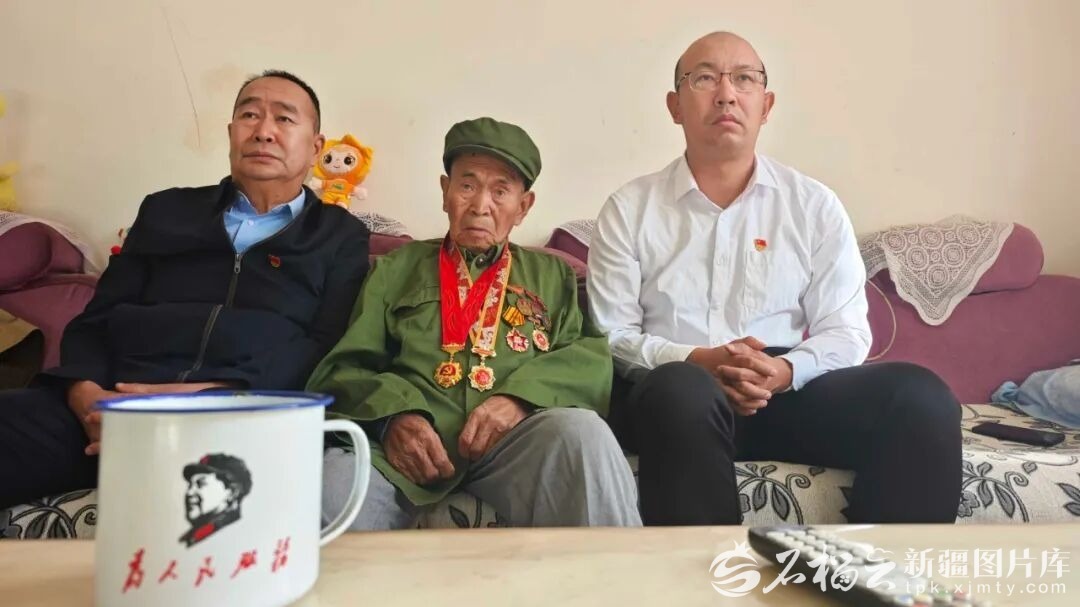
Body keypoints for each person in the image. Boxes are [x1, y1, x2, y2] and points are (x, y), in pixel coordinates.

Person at [586, 32, 962, 525]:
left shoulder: (813, 205)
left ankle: (874, 571)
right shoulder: (630, 209)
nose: (726, 94)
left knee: (921, 396)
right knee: (681, 389)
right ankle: (708, 574)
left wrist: (783, 371)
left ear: (766, 105)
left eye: (744, 79)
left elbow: (846, 331)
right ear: (675, 106)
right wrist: (699, 361)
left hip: (783, 392)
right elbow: (610, 336)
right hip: (674, 398)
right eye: (705, 78)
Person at [0, 70, 370, 509]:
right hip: (117, 406)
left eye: (285, 119)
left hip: (240, 416)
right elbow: (97, 319)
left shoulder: (339, 236)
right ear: (231, 134)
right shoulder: (166, 210)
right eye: (249, 115)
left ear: (315, 147)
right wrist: (87, 398)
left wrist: (218, 396)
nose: (264, 131)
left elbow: (327, 346)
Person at [310, 117, 640, 529]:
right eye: (467, 186)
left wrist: (521, 399)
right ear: (445, 192)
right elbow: (346, 367)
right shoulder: (395, 268)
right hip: (404, 452)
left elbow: (587, 358)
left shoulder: (553, 275)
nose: (481, 205)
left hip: (516, 446)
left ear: (523, 207)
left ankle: (615, 573)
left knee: (583, 434)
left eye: (500, 191)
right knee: (333, 485)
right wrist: (393, 417)